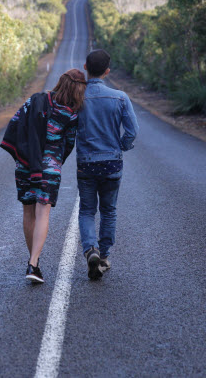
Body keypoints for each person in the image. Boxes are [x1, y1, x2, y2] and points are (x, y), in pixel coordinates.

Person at [1, 69, 87, 283]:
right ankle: (33, 262)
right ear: (79, 89)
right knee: (43, 215)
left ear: (61, 82)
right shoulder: (72, 114)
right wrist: (55, 161)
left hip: (25, 163)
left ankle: (34, 262)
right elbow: (68, 144)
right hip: (49, 169)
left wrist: (21, 154)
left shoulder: (36, 100)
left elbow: (15, 124)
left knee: (28, 212)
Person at [76, 49, 139, 280]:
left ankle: (90, 249)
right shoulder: (120, 97)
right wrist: (121, 145)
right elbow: (133, 130)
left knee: (86, 210)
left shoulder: (78, 98)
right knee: (109, 211)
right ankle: (103, 256)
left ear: (85, 67)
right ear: (107, 71)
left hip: (86, 164)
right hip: (112, 163)